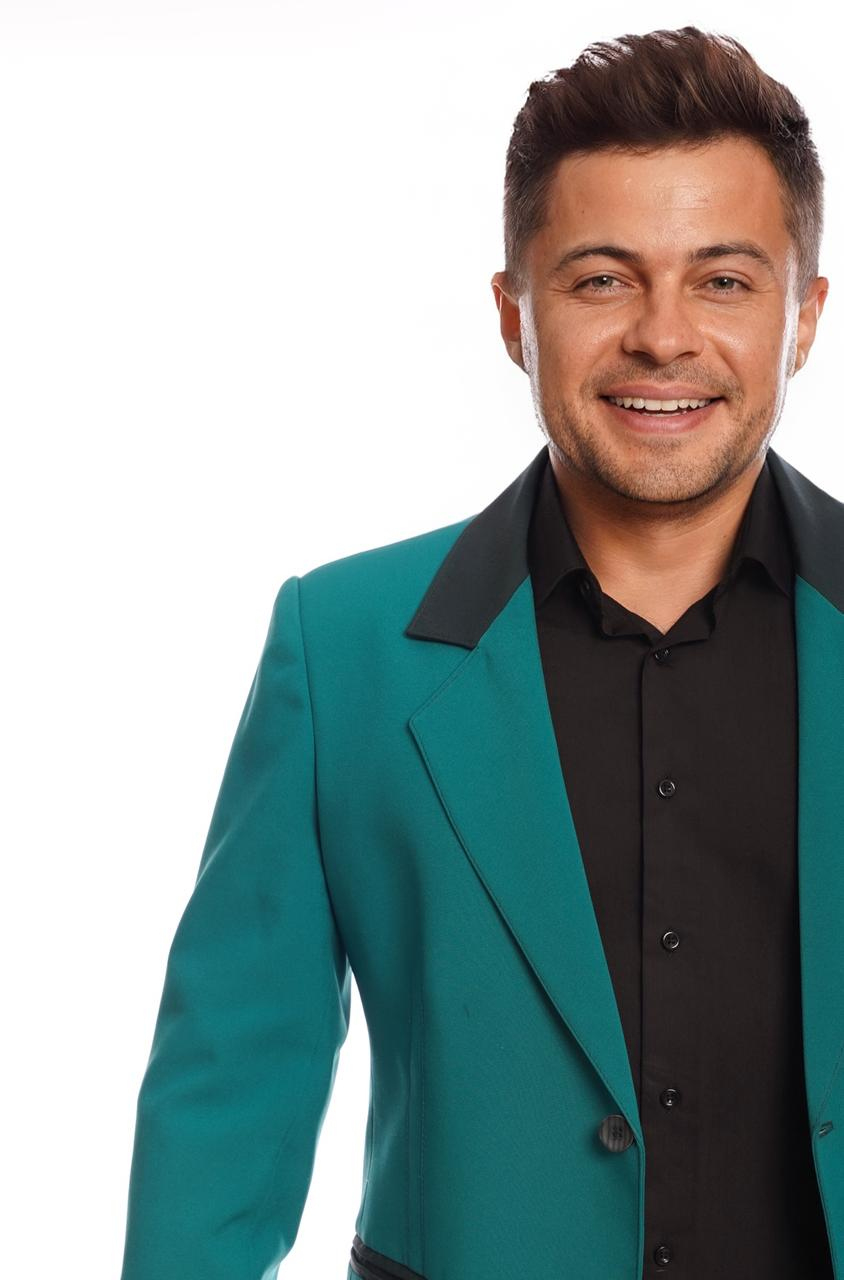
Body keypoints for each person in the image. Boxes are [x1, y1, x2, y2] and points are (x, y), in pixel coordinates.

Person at [119, 25, 842, 1280]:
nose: (662, 336)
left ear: (803, 316)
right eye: (601, 279)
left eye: (722, 281)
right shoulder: (341, 648)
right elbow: (226, 1099)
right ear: (515, 315)